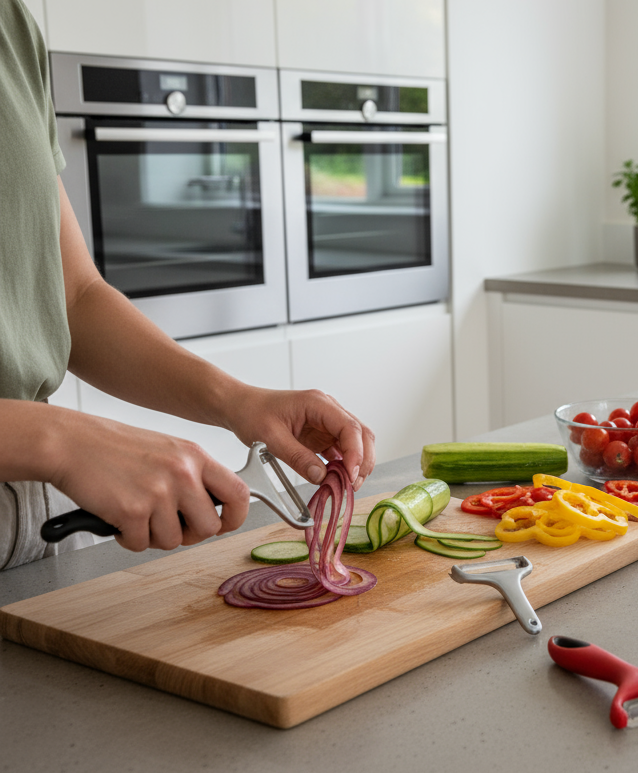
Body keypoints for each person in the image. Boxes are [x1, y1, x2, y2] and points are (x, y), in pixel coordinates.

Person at [0, 0, 375, 569]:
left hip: (38, 515)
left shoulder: (12, 26)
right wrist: (59, 439)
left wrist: (239, 402)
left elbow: (71, 296)